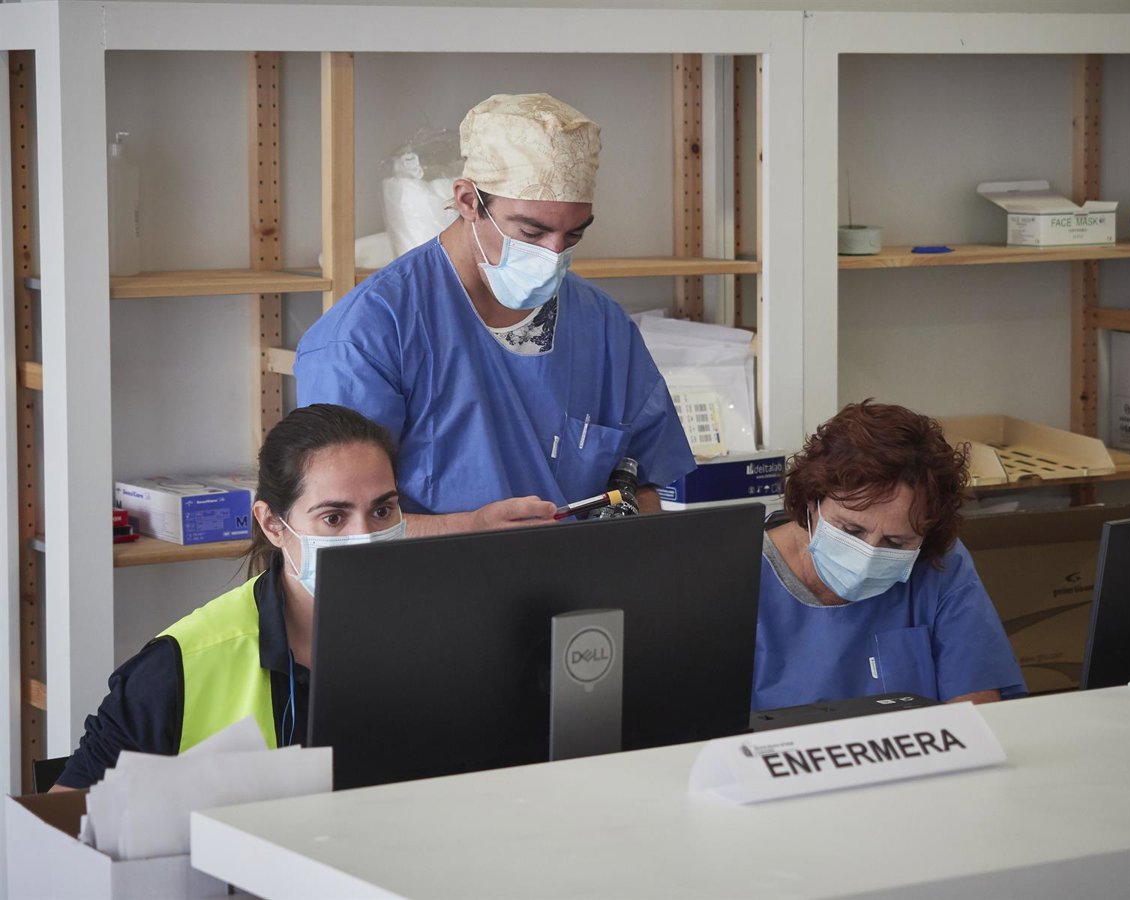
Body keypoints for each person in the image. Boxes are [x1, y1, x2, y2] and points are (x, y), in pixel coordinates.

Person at [294, 93, 695, 535]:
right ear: (468, 201)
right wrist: (471, 527)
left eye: (573, 235)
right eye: (532, 233)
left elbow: (644, 485)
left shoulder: (601, 326)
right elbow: (336, 528)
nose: (553, 255)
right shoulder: (367, 334)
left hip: (579, 578)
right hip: (428, 576)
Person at [54, 404, 419, 789]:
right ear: (272, 525)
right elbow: (63, 814)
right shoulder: (177, 666)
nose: (364, 537)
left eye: (382, 510)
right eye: (333, 518)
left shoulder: (435, 634)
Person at [753, 401, 1027, 711]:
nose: (868, 555)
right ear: (812, 501)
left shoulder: (941, 565)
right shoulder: (743, 576)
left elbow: (977, 707)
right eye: (851, 530)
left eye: (895, 542)